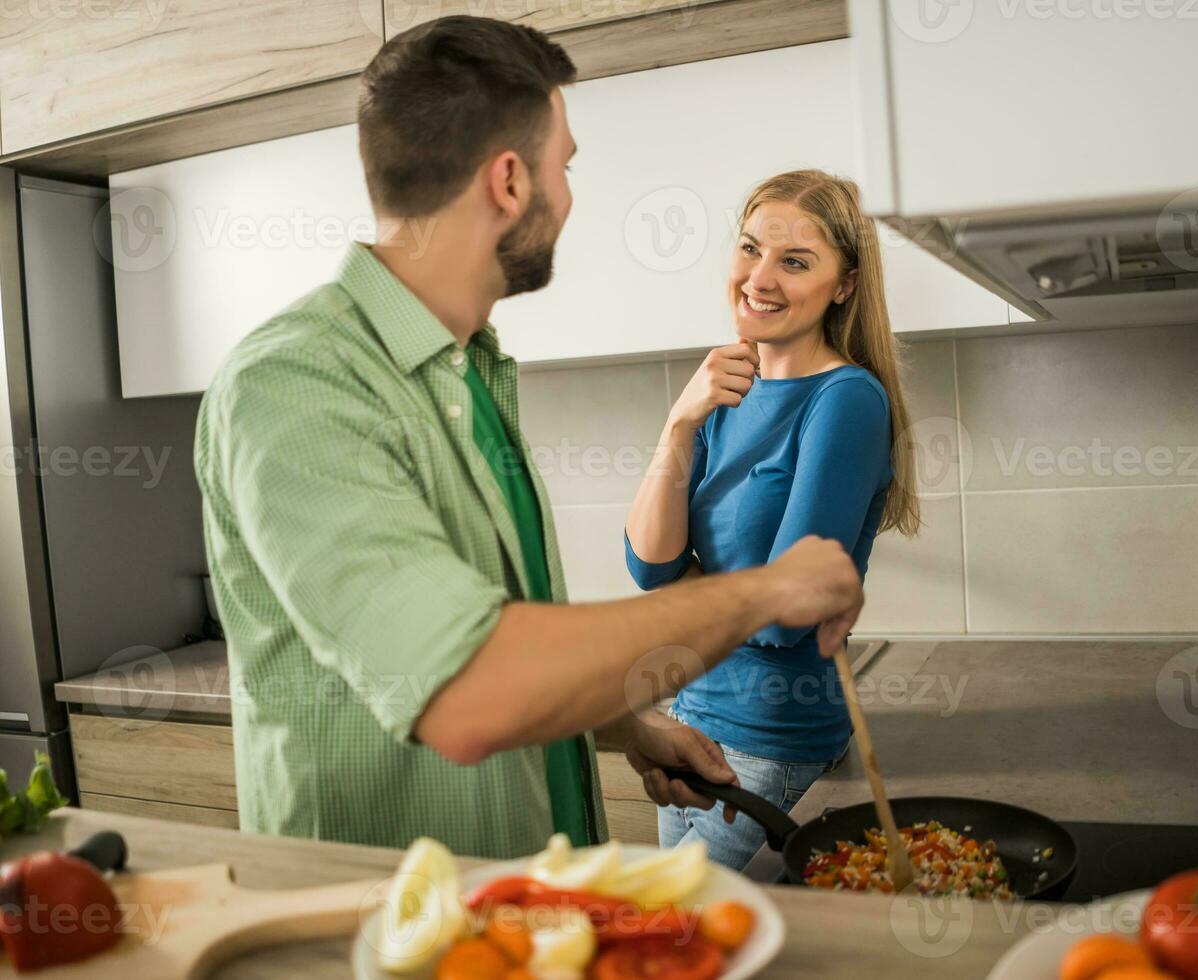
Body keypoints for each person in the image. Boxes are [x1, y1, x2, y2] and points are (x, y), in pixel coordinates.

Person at [193, 18, 864, 858]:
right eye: (565, 166)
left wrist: (627, 725)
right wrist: (768, 589)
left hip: (512, 900)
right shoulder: (299, 383)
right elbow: (470, 690)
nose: (571, 194)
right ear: (510, 181)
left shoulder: (467, 374)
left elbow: (490, 628)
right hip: (386, 925)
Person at [624, 169, 920, 869]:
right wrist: (678, 425)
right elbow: (649, 565)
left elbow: (785, 613)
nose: (760, 277)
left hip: (774, 731)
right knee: (682, 926)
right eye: (750, 248)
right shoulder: (724, 384)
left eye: (794, 261)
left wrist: (692, 588)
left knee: (686, 913)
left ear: (843, 284)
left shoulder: (846, 400)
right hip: (690, 717)